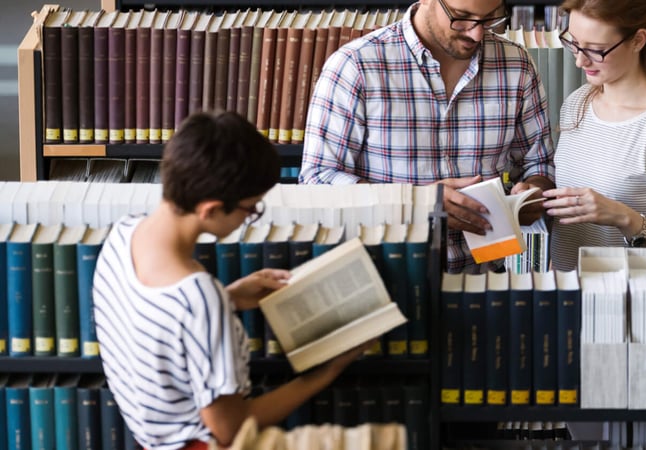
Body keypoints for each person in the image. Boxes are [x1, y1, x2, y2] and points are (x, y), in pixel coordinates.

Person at [93, 111, 367, 450]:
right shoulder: (199, 300)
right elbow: (229, 429)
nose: (251, 219)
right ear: (209, 210)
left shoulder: (123, 234)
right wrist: (325, 371)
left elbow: (153, 328)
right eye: (250, 209)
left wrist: (229, 297)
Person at [299, 0, 555, 271]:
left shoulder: (517, 64)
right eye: (462, 17)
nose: (476, 34)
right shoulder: (356, 66)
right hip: (390, 276)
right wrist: (415, 203)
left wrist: (534, 191)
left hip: (488, 279)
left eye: (490, 18)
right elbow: (317, 182)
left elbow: (538, 163)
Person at [542, 0, 646, 273]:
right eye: (573, 42)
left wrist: (623, 217)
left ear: (638, 40)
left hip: (635, 303)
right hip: (567, 298)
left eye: (595, 50)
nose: (579, 60)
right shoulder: (576, 103)